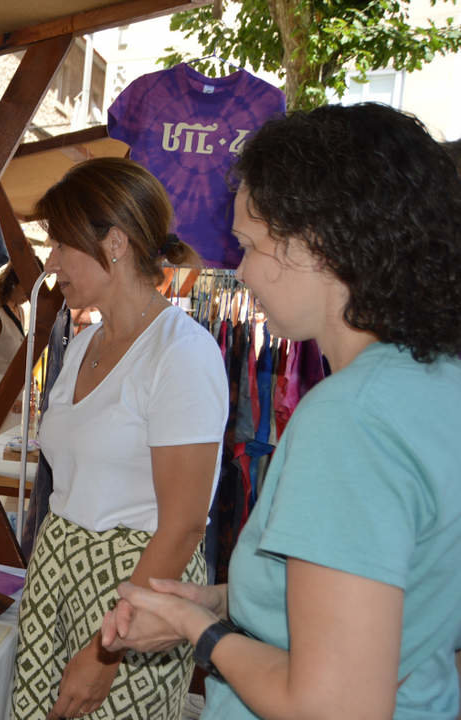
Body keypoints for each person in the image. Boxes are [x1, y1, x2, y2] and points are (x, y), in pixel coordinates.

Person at [100, 104, 461, 719]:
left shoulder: (352, 419)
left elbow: (333, 706)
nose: (241, 272)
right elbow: (389, 598)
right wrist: (219, 602)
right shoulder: (435, 380)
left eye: (249, 245)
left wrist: (200, 631)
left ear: (318, 245)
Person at [10, 157, 229, 720]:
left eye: (61, 245)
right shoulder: (84, 344)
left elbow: (183, 525)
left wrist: (108, 650)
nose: (51, 261)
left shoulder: (181, 353)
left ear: (114, 243)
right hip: (58, 575)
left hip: (133, 592)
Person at [0, 265, 26, 433]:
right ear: (14, 283)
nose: (29, 293)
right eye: (27, 286)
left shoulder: (20, 311)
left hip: (14, 397)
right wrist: (3, 398)